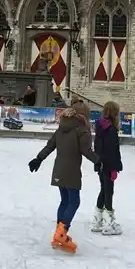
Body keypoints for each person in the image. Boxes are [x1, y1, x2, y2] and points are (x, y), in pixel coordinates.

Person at [28, 98, 99, 253]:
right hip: (71, 170)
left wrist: (38, 158)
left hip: (59, 170)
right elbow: (86, 150)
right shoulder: (82, 129)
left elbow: (50, 145)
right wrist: (98, 161)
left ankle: (58, 233)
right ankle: (61, 232)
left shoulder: (62, 128)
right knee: (74, 202)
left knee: (65, 201)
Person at [91, 101, 123, 235]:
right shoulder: (110, 130)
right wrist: (115, 167)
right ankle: (110, 222)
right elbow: (112, 151)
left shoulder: (101, 127)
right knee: (109, 191)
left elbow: (98, 147)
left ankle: (98, 220)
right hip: (108, 165)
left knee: (104, 190)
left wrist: (98, 163)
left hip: (101, 164)